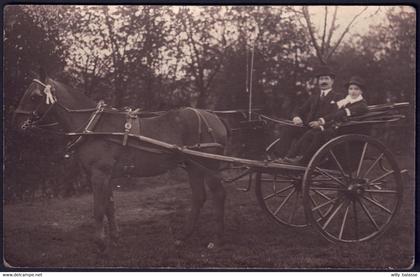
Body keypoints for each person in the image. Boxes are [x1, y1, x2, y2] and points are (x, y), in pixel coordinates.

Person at [280, 76, 369, 165]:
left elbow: (338, 114)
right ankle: (290, 157)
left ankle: (304, 161)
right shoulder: (346, 101)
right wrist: (322, 123)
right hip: (335, 127)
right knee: (310, 133)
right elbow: (334, 114)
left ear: (361, 91)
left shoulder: (361, 105)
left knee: (320, 135)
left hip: (344, 131)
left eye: (356, 89)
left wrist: (322, 121)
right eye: (351, 89)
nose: (353, 91)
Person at [274, 65, 343, 158]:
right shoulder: (313, 97)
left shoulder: (338, 97)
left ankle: (294, 158)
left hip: (323, 131)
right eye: (321, 79)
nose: (324, 82)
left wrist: (320, 123)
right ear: (318, 82)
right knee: (288, 129)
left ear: (332, 81)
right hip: (308, 128)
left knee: (309, 134)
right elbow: (300, 110)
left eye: (326, 79)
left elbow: (336, 115)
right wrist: (296, 117)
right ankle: (279, 157)